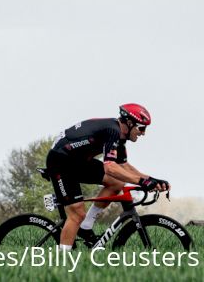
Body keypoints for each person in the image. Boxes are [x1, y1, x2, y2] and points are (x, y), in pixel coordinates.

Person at [47, 103, 169, 250]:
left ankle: (86, 226)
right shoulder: (112, 131)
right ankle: (63, 260)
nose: (143, 133)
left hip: (77, 162)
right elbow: (110, 167)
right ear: (129, 123)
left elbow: (124, 166)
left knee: (117, 183)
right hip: (60, 162)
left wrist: (151, 180)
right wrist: (142, 181)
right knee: (76, 214)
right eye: (141, 128)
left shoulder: (119, 137)